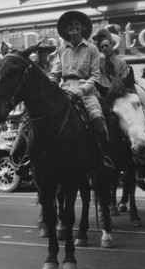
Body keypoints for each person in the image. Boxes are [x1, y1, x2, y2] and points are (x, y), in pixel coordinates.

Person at [50, 10, 113, 170]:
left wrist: (82, 90)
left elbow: (95, 76)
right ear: (67, 30)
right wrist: (51, 84)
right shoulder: (61, 49)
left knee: (98, 120)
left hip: (86, 91)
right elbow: (55, 73)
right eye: (70, 25)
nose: (73, 27)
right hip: (64, 90)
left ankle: (103, 157)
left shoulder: (92, 49)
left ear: (82, 28)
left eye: (76, 25)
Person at [92, 27, 129, 95]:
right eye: (102, 47)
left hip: (119, 93)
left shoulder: (121, 62)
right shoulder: (100, 63)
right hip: (105, 93)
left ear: (112, 45)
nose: (104, 48)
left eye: (106, 45)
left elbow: (125, 79)